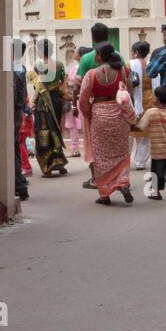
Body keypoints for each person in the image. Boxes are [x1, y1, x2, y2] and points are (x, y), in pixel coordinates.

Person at [79, 43, 136, 205]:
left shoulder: (91, 75)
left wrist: (89, 114)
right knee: (122, 152)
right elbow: (130, 94)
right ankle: (123, 183)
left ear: (99, 56)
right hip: (120, 116)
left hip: (99, 117)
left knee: (101, 156)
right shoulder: (124, 71)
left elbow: (83, 99)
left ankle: (105, 194)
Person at [135, 84, 166, 204]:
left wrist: (131, 126)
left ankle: (156, 193)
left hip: (158, 151)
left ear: (156, 99)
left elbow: (141, 127)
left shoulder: (151, 113)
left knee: (157, 172)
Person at [28, 40, 69, 178]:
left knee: (43, 133)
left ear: (39, 51)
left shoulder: (38, 66)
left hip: (43, 103)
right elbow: (63, 84)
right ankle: (59, 163)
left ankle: (48, 168)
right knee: (56, 131)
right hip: (56, 100)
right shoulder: (59, 65)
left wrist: (31, 103)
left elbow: (39, 88)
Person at [77, 24, 111, 189]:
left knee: (93, 144)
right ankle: (118, 178)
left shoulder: (86, 59)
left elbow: (82, 88)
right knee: (114, 144)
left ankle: (96, 179)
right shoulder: (117, 55)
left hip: (94, 106)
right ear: (108, 36)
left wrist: (84, 110)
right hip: (115, 107)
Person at [127, 41, 153, 170]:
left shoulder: (128, 65)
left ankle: (126, 160)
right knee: (144, 134)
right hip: (149, 102)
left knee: (129, 134)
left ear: (136, 52)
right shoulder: (151, 66)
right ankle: (140, 162)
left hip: (132, 103)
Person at [12, 39, 31, 201]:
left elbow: (12, 95)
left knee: (12, 148)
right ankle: (19, 183)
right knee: (15, 148)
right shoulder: (21, 68)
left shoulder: (12, 70)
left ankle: (18, 184)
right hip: (18, 113)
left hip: (11, 113)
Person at [64, 53, 87, 158]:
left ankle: (75, 149)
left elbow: (71, 82)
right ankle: (89, 149)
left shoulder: (76, 68)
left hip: (75, 98)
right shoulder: (90, 67)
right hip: (85, 98)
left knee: (73, 125)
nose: (75, 54)